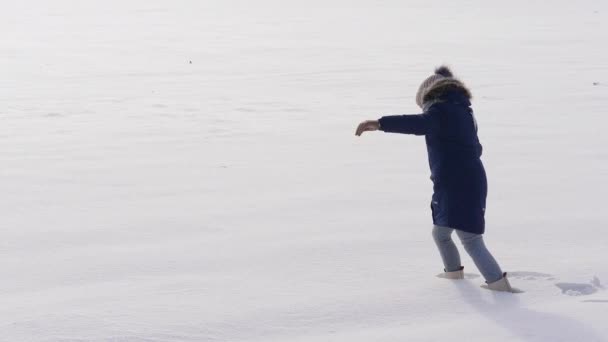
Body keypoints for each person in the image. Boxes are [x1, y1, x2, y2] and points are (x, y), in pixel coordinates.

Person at [355, 66, 516, 292]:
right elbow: (475, 147)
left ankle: (499, 287)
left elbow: (419, 124)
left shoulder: (442, 111)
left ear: (428, 95)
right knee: (441, 233)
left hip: (457, 183)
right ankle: (454, 275)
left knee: (470, 238)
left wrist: (380, 124)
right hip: (461, 180)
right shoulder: (461, 110)